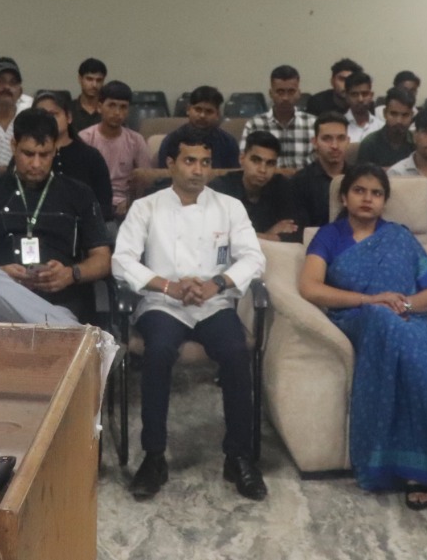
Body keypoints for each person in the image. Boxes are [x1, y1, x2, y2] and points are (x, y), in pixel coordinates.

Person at [298, 165, 427, 510]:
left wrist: (403, 304)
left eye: (376, 193)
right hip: (357, 318)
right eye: (359, 191)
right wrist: (370, 300)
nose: (367, 198)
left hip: (409, 320)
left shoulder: (401, 237)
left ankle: (418, 471)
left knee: (398, 335)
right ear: (344, 197)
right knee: (381, 318)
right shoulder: (329, 236)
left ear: (384, 201)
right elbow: (310, 287)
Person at [114, 132, 268, 501]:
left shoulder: (229, 207)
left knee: (235, 352)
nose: (198, 170)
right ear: (170, 164)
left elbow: (254, 258)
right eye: (189, 161)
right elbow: (121, 261)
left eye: (204, 162)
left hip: (213, 303)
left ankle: (238, 456)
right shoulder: (146, 207)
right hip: (162, 303)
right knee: (158, 351)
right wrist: (168, 286)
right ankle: (154, 457)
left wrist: (217, 284)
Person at [0, 109, 112, 326]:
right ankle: (64, 329)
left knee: (59, 311)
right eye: (28, 154)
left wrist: (72, 273)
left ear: (55, 149)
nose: (36, 164)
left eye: (44, 155)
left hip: (58, 300)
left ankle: (55, 324)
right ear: (13, 146)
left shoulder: (79, 193)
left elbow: (102, 259)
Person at [33, 91, 116, 221]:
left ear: (69, 117)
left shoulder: (91, 156)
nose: (48, 120)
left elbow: (104, 205)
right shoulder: (27, 156)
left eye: (54, 114)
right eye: (42, 115)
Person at [79, 80, 153, 219]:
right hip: (93, 204)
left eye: (123, 107)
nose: (117, 112)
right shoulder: (85, 138)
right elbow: (79, 182)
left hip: (127, 207)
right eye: (111, 105)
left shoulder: (136, 140)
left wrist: (131, 203)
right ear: (99, 107)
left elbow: (146, 179)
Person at [209, 131, 302, 242]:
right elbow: (216, 235)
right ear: (242, 159)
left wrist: (250, 236)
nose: (263, 170)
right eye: (256, 161)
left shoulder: (282, 187)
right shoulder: (221, 188)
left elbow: (297, 232)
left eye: (270, 163)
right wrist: (268, 235)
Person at [243, 64, 318, 169]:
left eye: (291, 91)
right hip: (266, 178)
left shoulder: (313, 123)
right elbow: (245, 161)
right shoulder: (255, 124)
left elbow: (319, 162)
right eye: (280, 92)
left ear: (299, 93)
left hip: (304, 178)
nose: (285, 98)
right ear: (271, 93)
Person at [291, 112, 351, 229]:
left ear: (348, 141)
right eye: (327, 138)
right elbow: (301, 230)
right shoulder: (299, 182)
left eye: (341, 138)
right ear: (315, 142)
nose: (335, 146)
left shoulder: (359, 178)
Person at [157, 85, 239, 168]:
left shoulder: (228, 143)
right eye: (198, 109)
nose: (202, 115)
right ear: (188, 109)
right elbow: (163, 174)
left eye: (209, 111)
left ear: (217, 114)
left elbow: (233, 174)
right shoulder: (171, 141)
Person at [357, 88, 416, 167]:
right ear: (385, 113)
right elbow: (363, 173)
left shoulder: (417, 144)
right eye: (394, 114)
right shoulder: (369, 144)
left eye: (405, 115)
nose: (399, 121)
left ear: (411, 115)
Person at [70, 57, 108, 134]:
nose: (94, 85)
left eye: (99, 80)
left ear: (103, 81)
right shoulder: (68, 110)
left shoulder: (108, 110)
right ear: (80, 79)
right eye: (89, 79)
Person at [343, 72, 383, 143]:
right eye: (354, 94)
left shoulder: (381, 127)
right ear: (347, 97)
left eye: (365, 94)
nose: (360, 99)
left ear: (371, 95)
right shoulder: (339, 126)